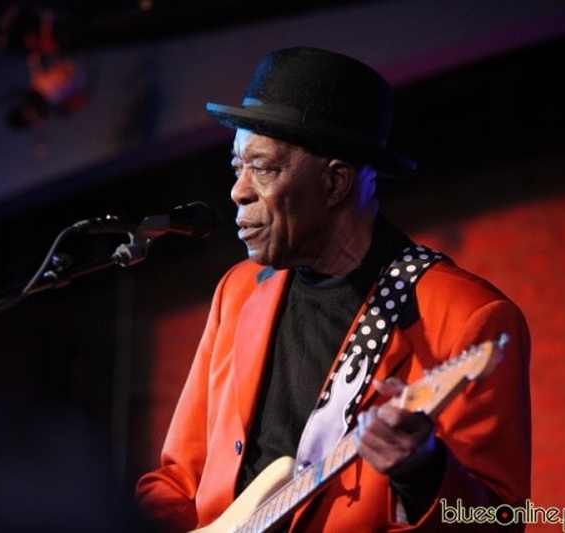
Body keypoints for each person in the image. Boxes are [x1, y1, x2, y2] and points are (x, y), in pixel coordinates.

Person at [135, 47, 531, 531]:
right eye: (237, 166)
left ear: (335, 182)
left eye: (263, 168)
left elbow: (500, 521)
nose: (238, 190)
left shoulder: (468, 316)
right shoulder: (238, 291)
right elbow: (179, 479)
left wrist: (423, 473)